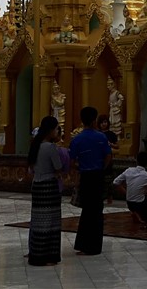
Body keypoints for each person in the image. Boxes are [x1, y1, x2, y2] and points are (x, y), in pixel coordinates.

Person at [69, 105, 112, 256]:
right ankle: (95, 246)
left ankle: (84, 245)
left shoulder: (77, 139)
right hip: (98, 176)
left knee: (86, 211)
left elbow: (71, 161)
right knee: (97, 211)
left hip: (86, 176)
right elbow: (108, 156)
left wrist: (80, 168)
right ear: (94, 120)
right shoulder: (101, 137)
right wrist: (101, 167)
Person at [26, 116, 63, 266]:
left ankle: (36, 252)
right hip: (49, 186)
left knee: (38, 219)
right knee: (50, 221)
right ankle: (48, 255)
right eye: (56, 129)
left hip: (37, 185)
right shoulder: (50, 147)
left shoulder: (35, 145)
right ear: (50, 130)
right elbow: (58, 167)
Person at [113, 151, 147, 224]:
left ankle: (137, 213)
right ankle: (143, 217)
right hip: (139, 203)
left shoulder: (128, 170)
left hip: (129, 202)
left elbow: (115, 182)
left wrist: (126, 193)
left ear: (136, 160)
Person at [97, 114, 118, 204]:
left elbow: (117, 145)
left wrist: (111, 144)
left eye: (105, 122)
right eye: (102, 122)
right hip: (99, 158)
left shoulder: (111, 134)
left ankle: (110, 197)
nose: (104, 124)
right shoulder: (97, 134)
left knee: (109, 179)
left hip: (108, 158)